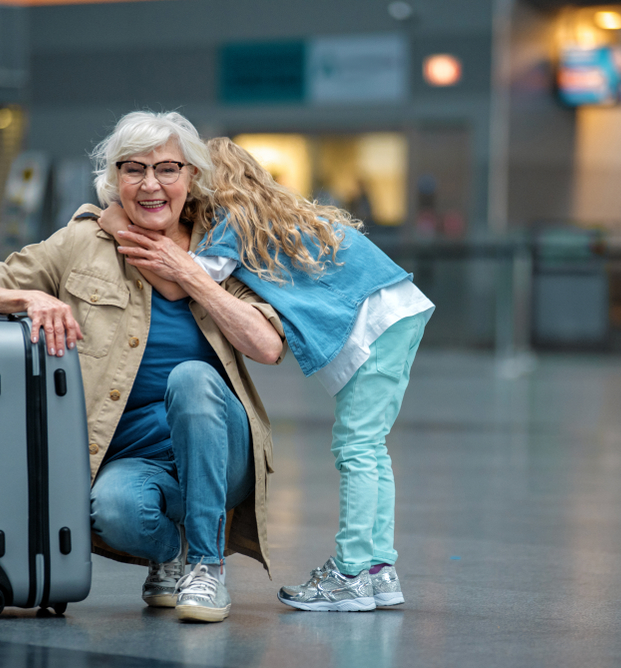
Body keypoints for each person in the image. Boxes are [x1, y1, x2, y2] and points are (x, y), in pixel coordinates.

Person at [0, 112, 286, 623]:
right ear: (116, 180)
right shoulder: (82, 242)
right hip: (133, 452)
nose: (151, 184)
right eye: (134, 169)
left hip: (222, 445)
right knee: (111, 511)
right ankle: (170, 554)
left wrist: (188, 275)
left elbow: (266, 345)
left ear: (191, 177)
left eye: (168, 169)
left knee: (191, 378)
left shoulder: (223, 247)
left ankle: (206, 566)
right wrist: (31, 298)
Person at [100, 137, 434, 612]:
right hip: (397, 308)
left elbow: (182, 284)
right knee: (370, 449)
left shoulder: (231, 225)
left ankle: (354, 572)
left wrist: (116, 226)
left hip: (375, 322)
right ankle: (378, 569)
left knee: (358, 448)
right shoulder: (276, 213)